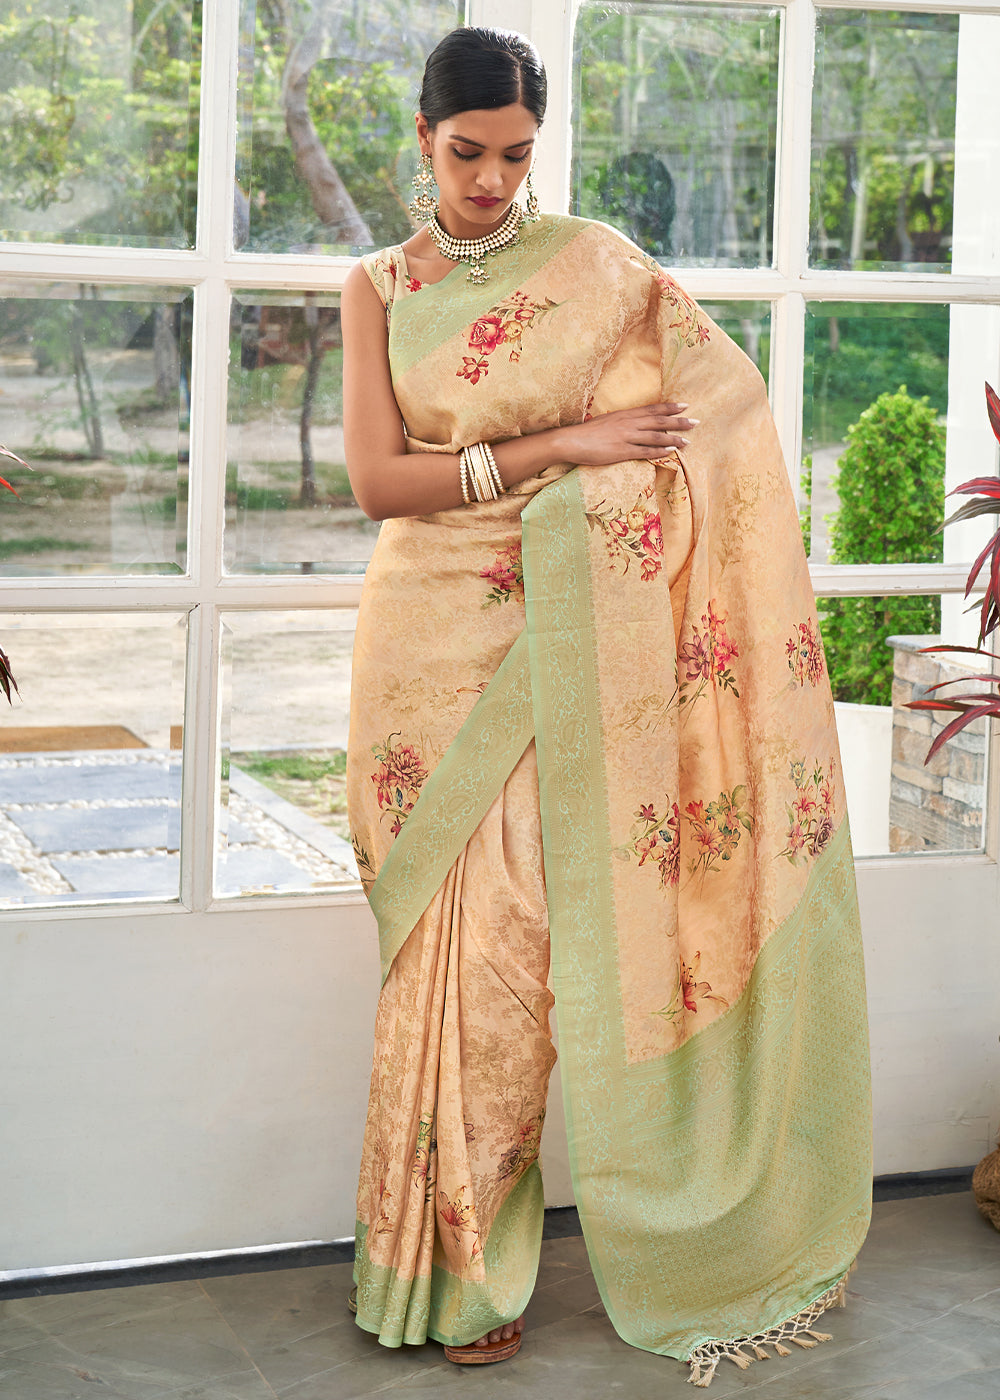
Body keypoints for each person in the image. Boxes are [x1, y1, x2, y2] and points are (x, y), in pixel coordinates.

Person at [342, 26, 871, 1388]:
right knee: (440, 954)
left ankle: (545, 1248)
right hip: (423, 648)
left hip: (565, 632)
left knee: (518, 941)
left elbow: (723, 407)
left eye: (517, 156)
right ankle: (435, 1272)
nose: (491, 181)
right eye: (468, 153)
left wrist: (603, 479)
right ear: (422, 139)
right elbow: (379, 483)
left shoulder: (599, 268)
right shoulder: (378, 286)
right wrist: (561, 447)